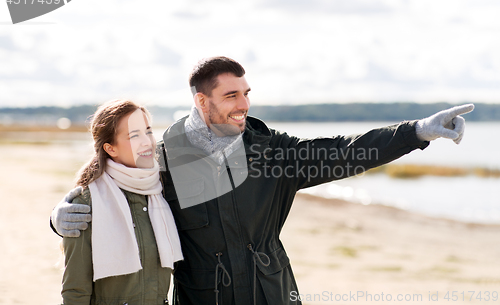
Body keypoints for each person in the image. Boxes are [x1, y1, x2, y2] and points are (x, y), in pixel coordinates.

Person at [52, 57, 474, 305]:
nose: (244, 104)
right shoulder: (165, 161)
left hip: (273, 293)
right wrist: (60, 216)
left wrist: (419, 130)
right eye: (231, 95)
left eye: (247, 93)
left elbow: (345, 150)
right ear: (202, 101)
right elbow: (117, 194)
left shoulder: (273, 152)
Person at [60, 99, 183, 304]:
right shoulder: (86, 203)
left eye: (148, 131)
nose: (147, 142)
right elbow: (75, 292)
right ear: (111, 148)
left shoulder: (163, 190)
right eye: (134, 135)